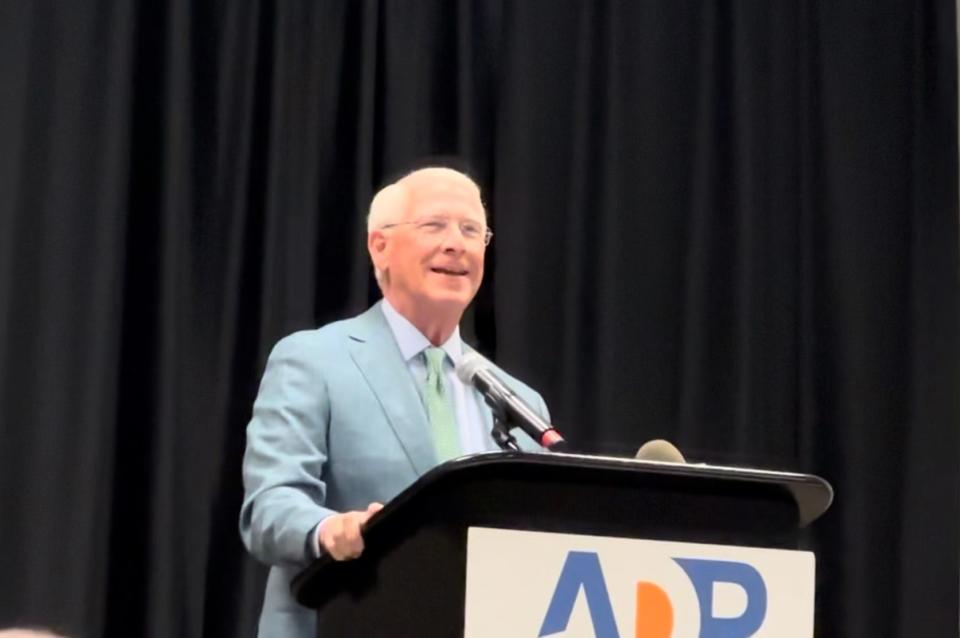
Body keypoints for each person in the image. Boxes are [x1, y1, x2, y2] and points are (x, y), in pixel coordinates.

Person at [239, 166, 550, 637]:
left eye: (471, 230)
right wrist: (330, 530)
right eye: (434, 226)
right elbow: (270, 507)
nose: (456, 243)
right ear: (379, 245)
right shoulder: (314, 361)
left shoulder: (520, 405)